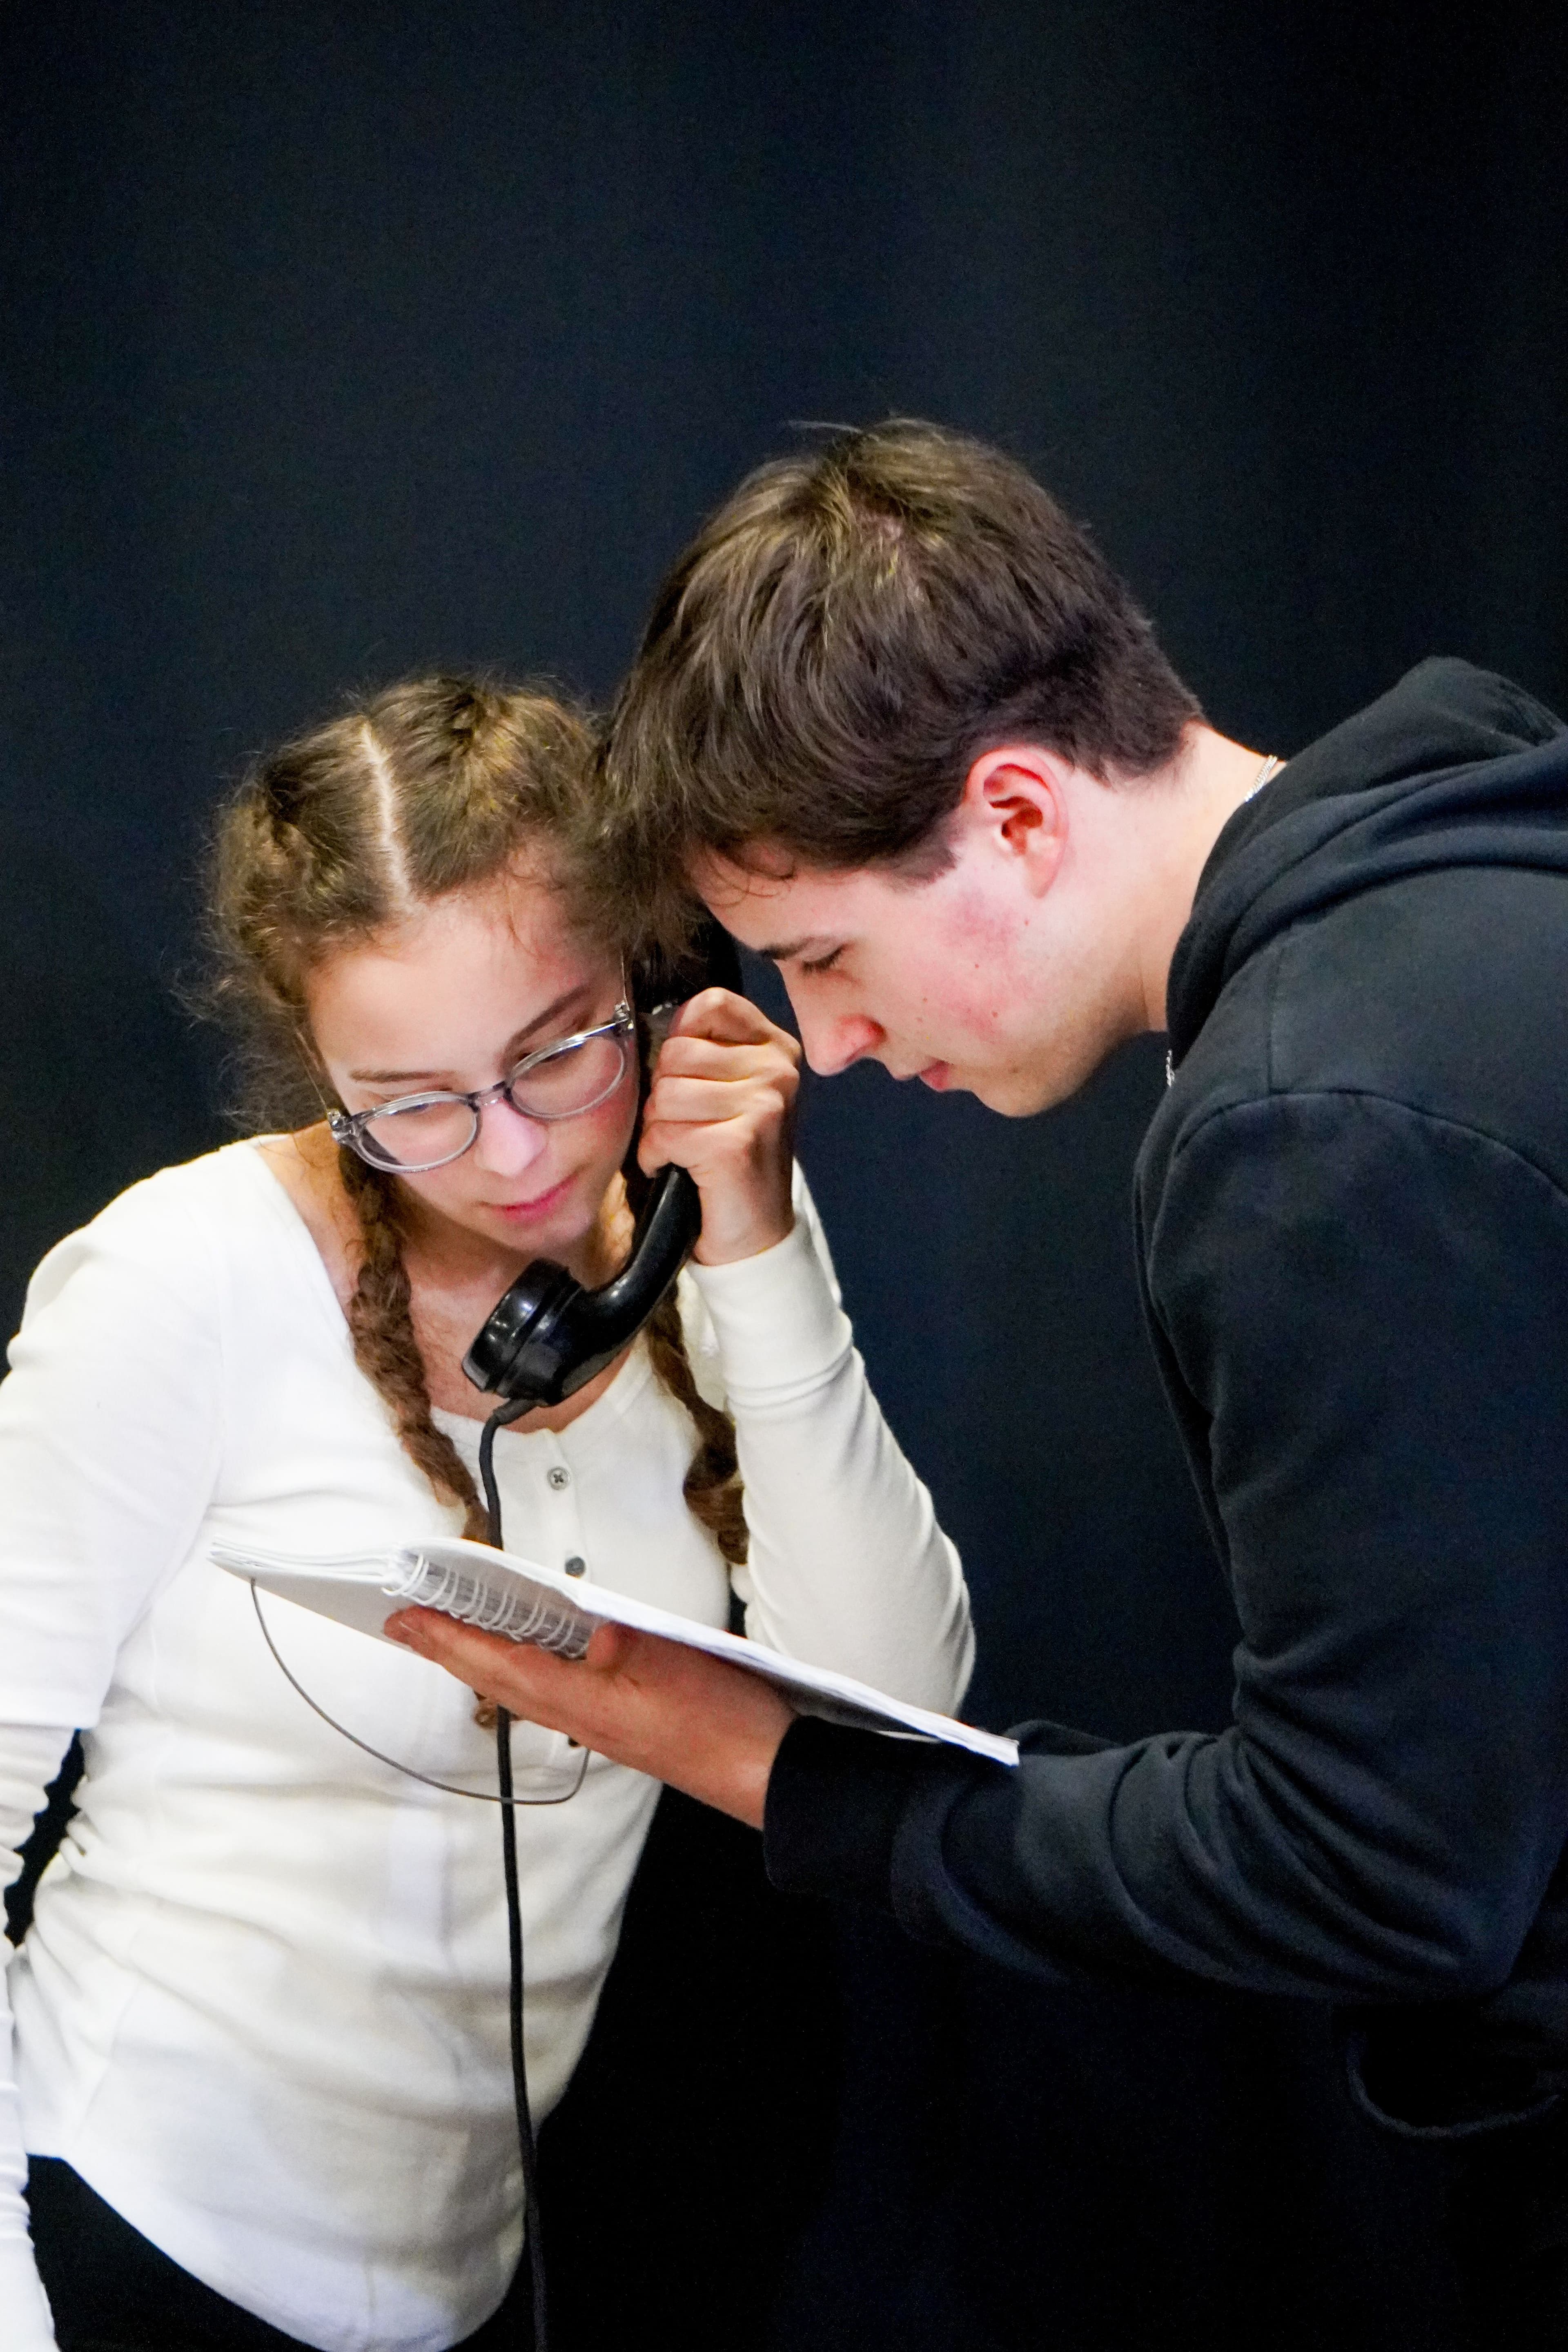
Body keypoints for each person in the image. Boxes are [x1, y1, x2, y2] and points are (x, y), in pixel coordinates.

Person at [388, 425, 1568, 2348]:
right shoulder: (1483, 891)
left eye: (826, 955)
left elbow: (1383, 1873)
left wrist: (776, 1774)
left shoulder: (1318, 1125)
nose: (833, 1041)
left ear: (1016, 815)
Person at [0, 674, 974, 2352]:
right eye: (411, 1100)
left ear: (655, 981)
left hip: (467, 2282)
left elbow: (897, 1706)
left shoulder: (702, 1236)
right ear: (320, 1069)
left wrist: (758, 1243)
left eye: (556, 1053)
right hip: (123, 2236)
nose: (511, 1154)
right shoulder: (183, 1280)